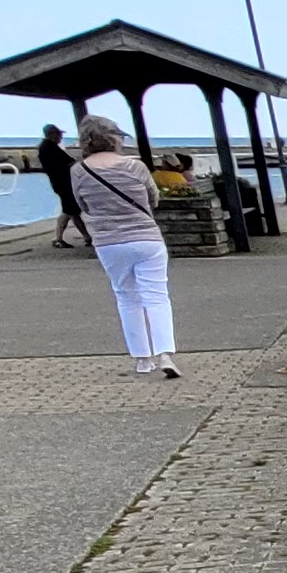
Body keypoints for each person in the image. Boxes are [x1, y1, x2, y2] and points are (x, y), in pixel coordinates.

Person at [67, 116, 178, 378]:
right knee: (156, 295)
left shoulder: (79, 171)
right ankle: (165, 355)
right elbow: (153, 199)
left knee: (127, 297)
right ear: (114, 138)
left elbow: (83, 205)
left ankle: (142, 360)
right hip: (146, 238)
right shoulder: (135, 166)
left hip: (109, 241)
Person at [35, 123, 79, 248]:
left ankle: (86, 237)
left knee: (73, 210)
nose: (61, 137)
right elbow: (69, 162)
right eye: (59, 134)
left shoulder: (46, 147)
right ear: (52, 134)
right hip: (63, 183)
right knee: (69, 210)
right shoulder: (50, 148)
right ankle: (58, 238)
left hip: (60, 182)